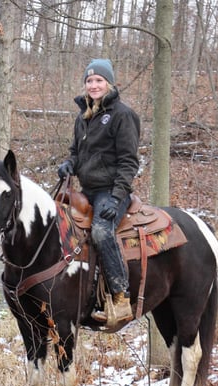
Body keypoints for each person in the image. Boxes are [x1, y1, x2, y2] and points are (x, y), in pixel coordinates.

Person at [58, 58, 141, 328]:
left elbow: (129, 162)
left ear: (109, 83)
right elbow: (75, 152)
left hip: (111, 191)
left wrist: (117, 197)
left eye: (99, 80)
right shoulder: (83, 117)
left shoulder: (122, 115)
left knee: (101, 231)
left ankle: (120, 297)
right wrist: (70, 164)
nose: (93, 85)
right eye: (89, 81)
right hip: (87, 190)